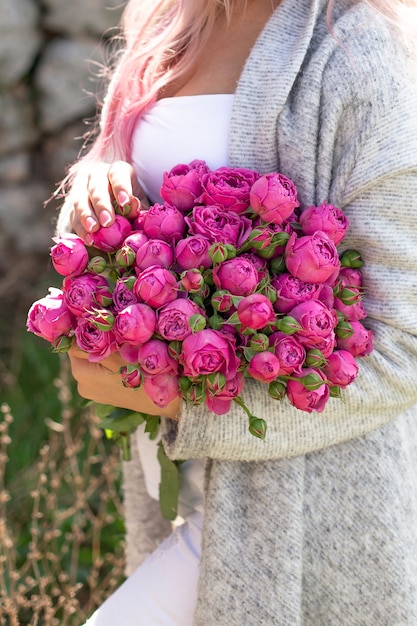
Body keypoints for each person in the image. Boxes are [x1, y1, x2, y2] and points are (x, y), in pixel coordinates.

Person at [56, 0, 417, 623]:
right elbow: (133, 186)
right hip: (177, 490)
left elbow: (404, 344)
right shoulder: (166, 21)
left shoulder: (357, 53)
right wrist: (93, 186)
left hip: (299, 513)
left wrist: (184, 401)